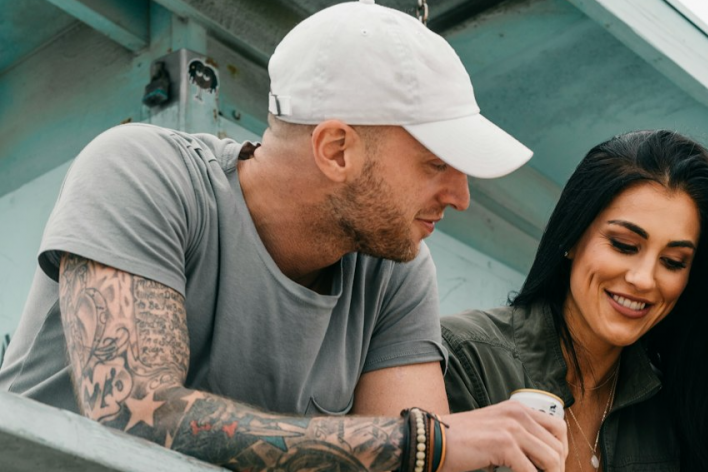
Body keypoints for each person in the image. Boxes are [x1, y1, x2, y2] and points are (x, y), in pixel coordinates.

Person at [0, 1, 567, 471]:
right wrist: (427, 443)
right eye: (436, 164)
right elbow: (135, 415)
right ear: (336, 150)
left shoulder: (396, 269)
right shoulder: (142, 173)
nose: (461, 197)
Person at [441, 130, 708, 471]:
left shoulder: (677, 419)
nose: (643, 279)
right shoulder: (464, 358)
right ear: (572, 236)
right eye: (624, 245)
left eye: (673, 262)